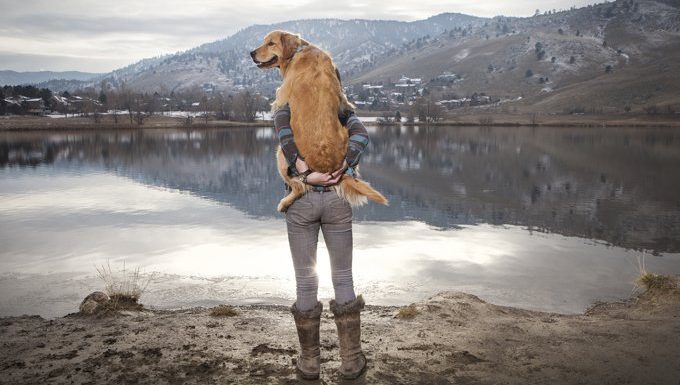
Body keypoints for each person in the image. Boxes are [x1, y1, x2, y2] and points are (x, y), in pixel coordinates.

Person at [273, 104, 370, 380]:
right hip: (338, 198)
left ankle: (309, 364)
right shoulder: (339, 107)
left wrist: (303, 173)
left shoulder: (288, 106)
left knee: (305, 281)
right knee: (343, 277)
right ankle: (351, 362)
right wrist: (345, 165)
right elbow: (361, 135)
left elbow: (285, 137)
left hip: (301, 200)